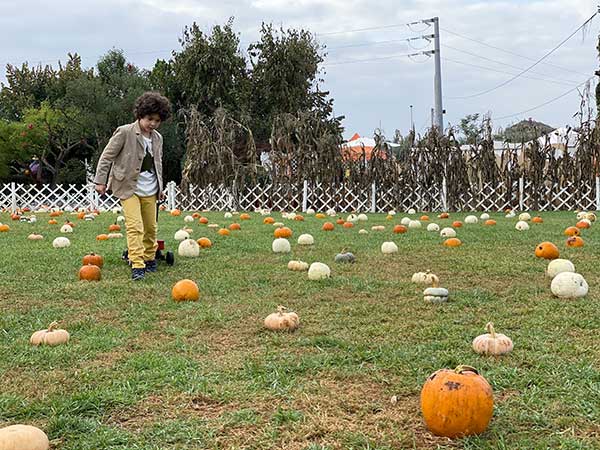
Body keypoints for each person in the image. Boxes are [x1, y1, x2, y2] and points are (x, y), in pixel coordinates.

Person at [94, 92, 171, 281]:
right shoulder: (125, 132)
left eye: (157, 120)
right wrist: (100, 181)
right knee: (135, 226)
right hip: (128, 188)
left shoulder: (158, 138)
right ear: (140, 115)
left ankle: (150, 257)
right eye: (149, 119)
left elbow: (158, 164)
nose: (152, 124)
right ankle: (137, 264)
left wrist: (160, 189)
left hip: (151, 189)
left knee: (150, 227)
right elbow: (107, 157)